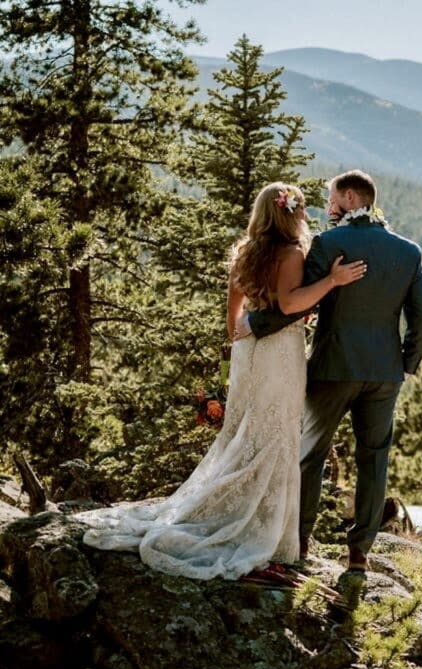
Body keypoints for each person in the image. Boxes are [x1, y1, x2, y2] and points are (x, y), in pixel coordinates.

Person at [75, 182, 367, 580]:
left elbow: (233, 318)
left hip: (247, 352)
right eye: (299, 209)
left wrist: (241, 340)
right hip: (279, 351)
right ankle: (269, 531)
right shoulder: (291, 253)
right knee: (276, 433)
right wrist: (331, 281)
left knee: (243, 431)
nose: (303, 215)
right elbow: (289, 304)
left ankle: (232, 507)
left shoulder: (245, 252)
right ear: (288, 213)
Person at [237, 169, 422, 583]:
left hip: (332, 366)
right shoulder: (409, 251)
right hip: (385, 373)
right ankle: (358, 554)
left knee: (311, 455)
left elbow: (298, 305)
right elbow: (421, 317)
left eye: (332, 198)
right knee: (374, 458)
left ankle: (299, 543)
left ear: (350, 198)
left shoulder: (329, 244)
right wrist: (406, 365)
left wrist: (255, 324)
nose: (327, 207)